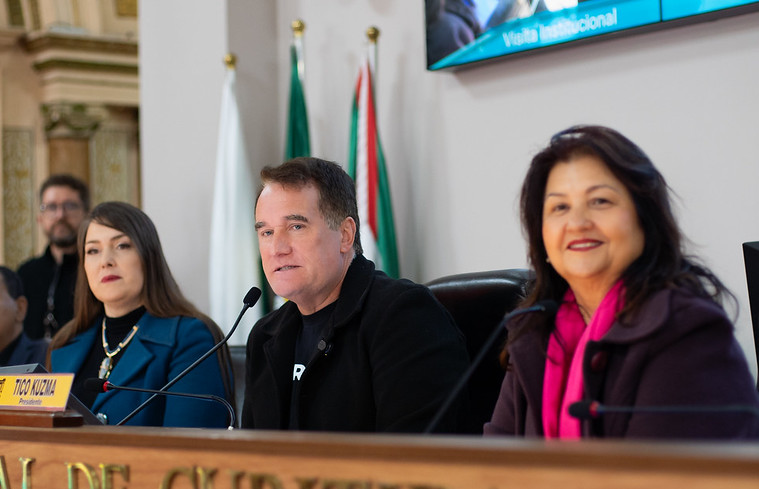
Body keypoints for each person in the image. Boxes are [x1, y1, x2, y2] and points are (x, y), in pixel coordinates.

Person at [486, 125, 759, 439]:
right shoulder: (535, 333)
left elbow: (657, 470)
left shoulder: (686, 329)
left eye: (600, 201)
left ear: (645, 219)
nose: (577, 223)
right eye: (560, 207)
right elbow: (492, 460)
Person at [242, 157, 471, 433]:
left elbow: (414, 452)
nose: (277, 248)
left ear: (345, 235)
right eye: (266, 232)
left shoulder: (403, 316)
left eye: (296, 227)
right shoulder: (264, 336)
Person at [48, 202, 232, 427]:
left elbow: (188, 443)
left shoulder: (189, 337)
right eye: (93, 251)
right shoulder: (65, 342)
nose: (105, 261)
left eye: (122, 246)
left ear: (148, 256)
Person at [18, 175, 90, 340]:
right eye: (51, 207)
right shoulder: (26, 273)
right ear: (40, 218)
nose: (60, 215)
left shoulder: (96, 269)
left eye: (70, 206)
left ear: (87, 214)